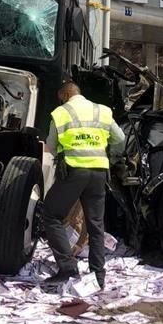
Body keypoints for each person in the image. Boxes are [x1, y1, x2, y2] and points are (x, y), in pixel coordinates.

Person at [42, 82, 126, 288]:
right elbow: (120, 138)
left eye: (61, 97)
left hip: (74, 171)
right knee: (96, 223)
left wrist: (66, 150)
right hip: (99, 172)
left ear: (66, 93)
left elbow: (51, 147)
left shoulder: (61, 113)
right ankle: (98, 274)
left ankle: (68, 268)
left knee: (51, 214)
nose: (61, 100)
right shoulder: (102, 111)